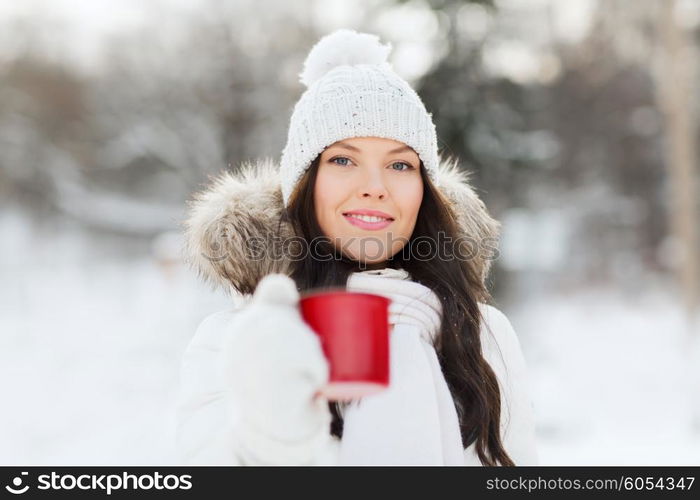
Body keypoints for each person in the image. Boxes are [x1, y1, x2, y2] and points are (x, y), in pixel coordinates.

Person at [175, 29, 539, 466]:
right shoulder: (240, 337)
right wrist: (274, 433)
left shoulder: (483, 335)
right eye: (343, 160)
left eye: (401, 165)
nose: (374, 187)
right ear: (304, 185)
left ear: (425, 191)